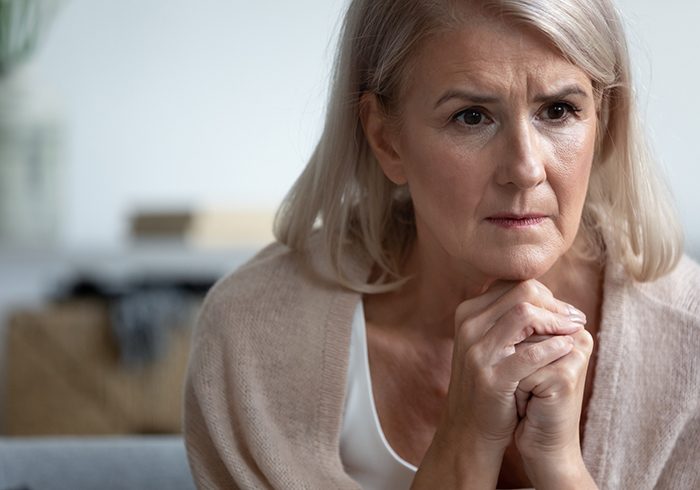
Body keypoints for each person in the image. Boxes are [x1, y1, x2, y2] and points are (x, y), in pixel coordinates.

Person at [184, 0, 700, 488]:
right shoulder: (252, 339)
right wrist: (465, 442)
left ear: (603, 118)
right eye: (472, 116)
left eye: (559, 110)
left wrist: (562, 471)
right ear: (387, 139)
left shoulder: (689, 342)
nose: (525, 169)